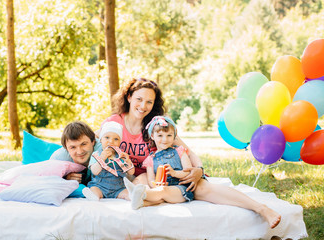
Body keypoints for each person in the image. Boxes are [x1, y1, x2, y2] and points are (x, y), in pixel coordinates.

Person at [99, 78, 281, 229]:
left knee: (203, 188)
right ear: (129, 97)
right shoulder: (115, 122)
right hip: (143, 176)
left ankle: (261, 209)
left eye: (149, 101)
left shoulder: (156, 124)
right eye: (139, 99)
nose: (143, 105)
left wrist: (199, 170)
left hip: (171, 172)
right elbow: (97, 148)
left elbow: (187, 150)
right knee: (141, 190)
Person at [124, 115, 194, 209]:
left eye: (169, 135)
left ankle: (139, 193)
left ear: (174, 136)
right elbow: (151, 179)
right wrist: (156, 184)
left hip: (181, 188)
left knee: (163, 190)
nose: (165, 139)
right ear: (152, 136)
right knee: (159, 191)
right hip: (161, 188)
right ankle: (139, 202)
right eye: (160, 135)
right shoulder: (150, 159)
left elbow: (188, 172)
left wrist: (174, 173)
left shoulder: (180, 151)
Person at [83, 121, 135, 201]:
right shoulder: (96, 155)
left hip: (118, 188)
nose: (111, 141)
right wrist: (102, 158)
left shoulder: (121, 155)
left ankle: (134, 198)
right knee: (94, 190)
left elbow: (131, 172)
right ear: (100, 140)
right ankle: (94, 196)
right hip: (99, 186)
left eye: (116, 139)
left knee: (128, 194)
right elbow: (94, 171)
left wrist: (128, 161)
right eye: (107, 137)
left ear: (120, 142)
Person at [49, 121, 101, 198]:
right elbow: (48, 180)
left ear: (93, 142)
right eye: (73, 147)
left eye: (83, 144)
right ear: (66, 148)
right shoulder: (60, 157)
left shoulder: (103, 151)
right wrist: (65, 178)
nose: (79, 152)